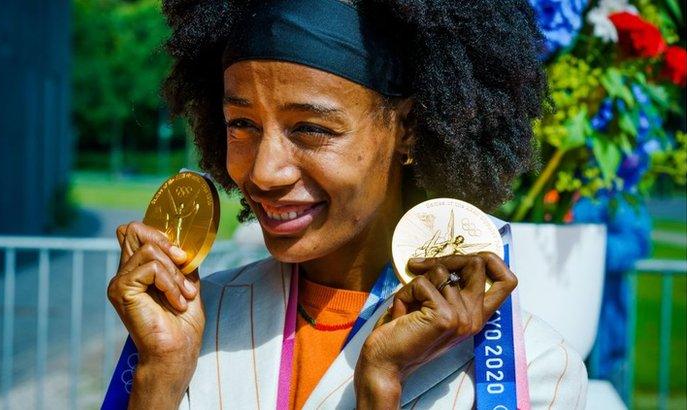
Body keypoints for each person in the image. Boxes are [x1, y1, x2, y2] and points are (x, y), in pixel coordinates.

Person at [106, 0, 588, 408]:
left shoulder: (533, 368)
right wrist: (159, 378)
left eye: (311, 130)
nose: (263, 172)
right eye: (241, 124)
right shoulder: (189, 322)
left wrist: (380, 385)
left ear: (409, 129)